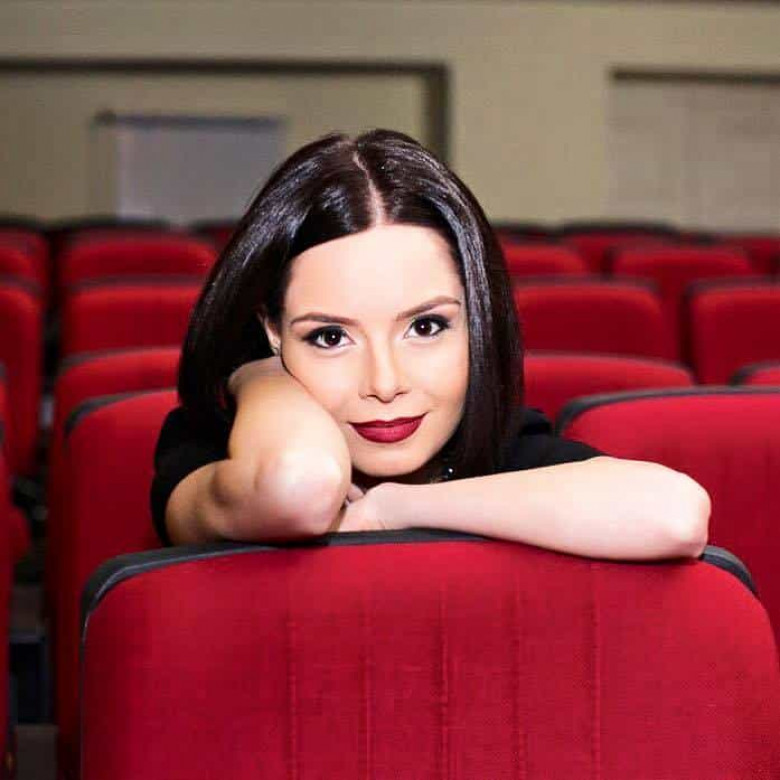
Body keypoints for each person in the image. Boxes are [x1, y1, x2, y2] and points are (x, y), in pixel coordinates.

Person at [150, 129, 710, 559]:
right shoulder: (213, 448)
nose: (385, 383)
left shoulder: (500, 448)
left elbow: (674, 515)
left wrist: (396, 509)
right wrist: (257, 372)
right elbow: (297, 486)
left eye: (424, 327)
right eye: (330, 336)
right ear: (273, 331)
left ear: (476, 319)